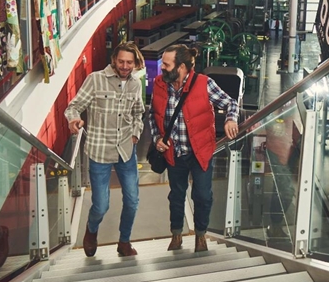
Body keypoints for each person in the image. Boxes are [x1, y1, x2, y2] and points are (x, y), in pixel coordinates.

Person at [149, 45, 239, 252]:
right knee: (176, 195)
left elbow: (230, 103)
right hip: (174, 154)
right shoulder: (160, 85)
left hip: (201, 152)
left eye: (166, 64)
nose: (161, 67)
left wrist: (230, 120)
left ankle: (200, 235)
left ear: (181, 67)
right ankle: (176, 234)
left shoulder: (204, 84)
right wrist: (157, 138)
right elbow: (152, 115)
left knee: (203, 196)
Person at [65, 42, 145, 257]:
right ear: (114, 60)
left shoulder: (136, 84)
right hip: (99, 152)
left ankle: (124, 242)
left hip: (126, 150)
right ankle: (91, 232)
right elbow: (74, 106)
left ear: (135, 63)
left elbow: (138, 112)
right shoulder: (95, 79)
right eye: (121, 61)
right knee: (101, 205)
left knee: (132, 201)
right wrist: (74, 120)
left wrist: (136, 132)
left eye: (129, 62)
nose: (125, 66)